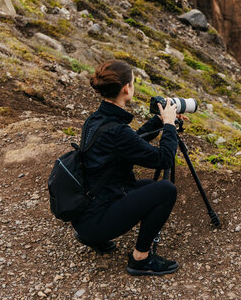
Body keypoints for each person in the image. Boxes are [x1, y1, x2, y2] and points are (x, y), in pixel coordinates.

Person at [71, 60, 180, 276]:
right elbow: (164, 158)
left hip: (84, 213)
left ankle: (94, 237)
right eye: (133, 82)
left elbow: (131, 141)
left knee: (149, 185)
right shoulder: (117, 130)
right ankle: (141, 259)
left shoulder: (97, 119)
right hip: (96, 220)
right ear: (126, 88)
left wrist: (158, 121)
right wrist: (169, 126)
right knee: (166, 190)